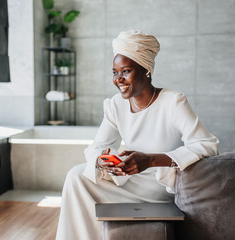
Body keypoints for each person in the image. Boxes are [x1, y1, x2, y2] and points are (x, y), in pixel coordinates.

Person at [55, 30, 219, 240]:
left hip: (159, 187)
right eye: (115, 72)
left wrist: (151, 160)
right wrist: (102, 161)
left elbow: (208, 145)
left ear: (146, 70)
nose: (118, 79)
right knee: (76, 177)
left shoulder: (173, 102)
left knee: (78, 179)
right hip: (129, 181)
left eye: (126, 71)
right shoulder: (116, 105)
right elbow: (96, 147)